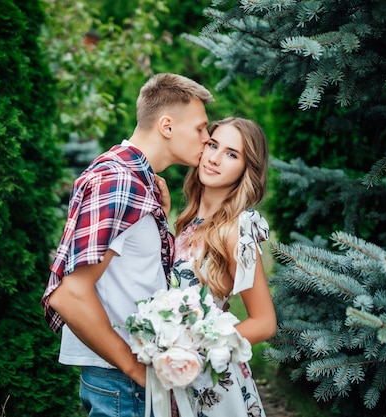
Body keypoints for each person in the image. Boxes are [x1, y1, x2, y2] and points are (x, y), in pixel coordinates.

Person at [40, 73, 215, 417]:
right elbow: (69, 295)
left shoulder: (136, 181)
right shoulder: (120, 180)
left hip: (123, 378)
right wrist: (135, 371)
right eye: (200, 129)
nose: (207, 140)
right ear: (166, 126)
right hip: (122, 379)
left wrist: (158, 218)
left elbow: (130, 271)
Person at [169, 117, 277, 417]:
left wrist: (199, 350)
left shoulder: (235, 230)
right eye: (213, 145)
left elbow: (264, 321)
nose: (215, 158)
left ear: (247, 168)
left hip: (212, 385)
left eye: (232, 154)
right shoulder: (189, 220)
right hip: (176, 379)